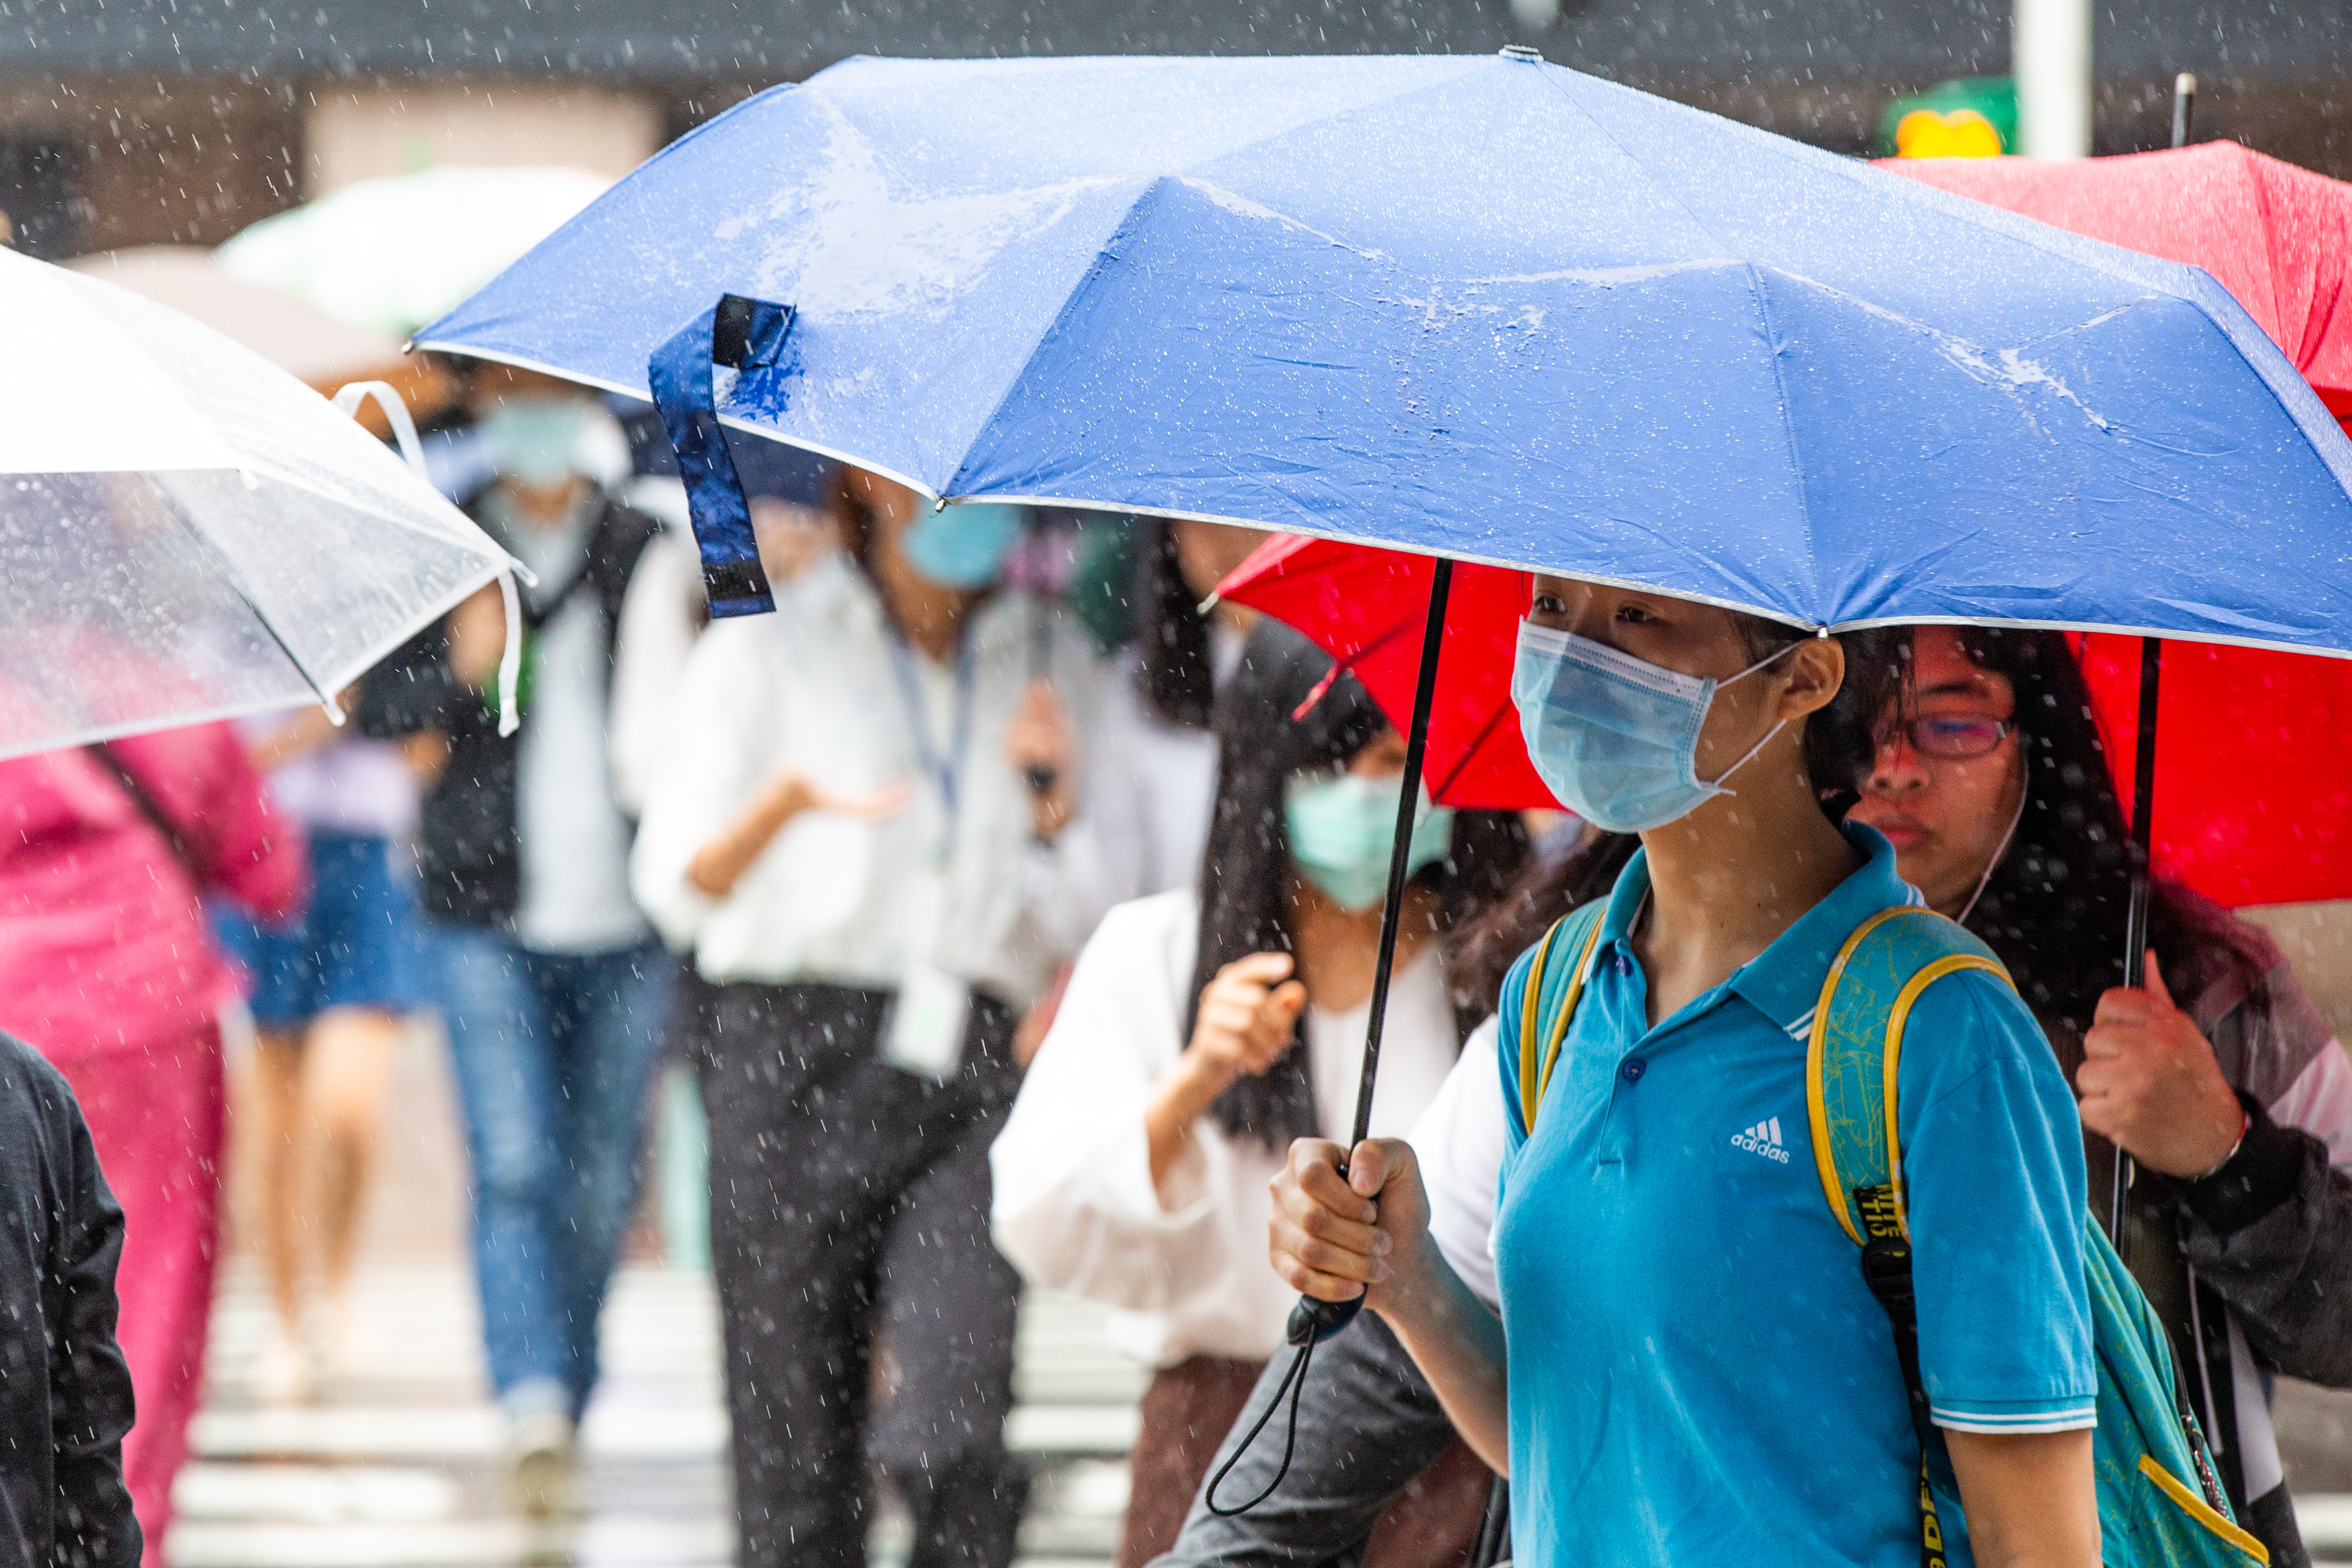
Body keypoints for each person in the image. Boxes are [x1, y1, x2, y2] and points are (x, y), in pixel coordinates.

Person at [1268, 581, 2104, 1568]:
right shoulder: (1556, 988)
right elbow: (1571, 1446)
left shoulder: (1942, 1030)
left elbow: (2037, 1538)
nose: (1575, 659)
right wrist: (1405, 1278)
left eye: (1637, 617)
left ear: (1802, 677)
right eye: (1551, 606)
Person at [629, 464, 1103, 1568]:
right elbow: (674, 882)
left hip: (971, 1058)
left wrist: (1053, 805)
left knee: (955, 1422)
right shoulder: (767, 642)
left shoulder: (1052, 655)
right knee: (795, 1456)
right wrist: (781, 809)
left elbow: (1094, 905)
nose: (956, 504)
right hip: (788, 1051)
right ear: (862, 480)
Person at [992, 621, 1526, 1568]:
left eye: (1394, 763)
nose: (1365, 792)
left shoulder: (1505, 985)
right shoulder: (1155, 954)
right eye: (1332, 764)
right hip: (1223, 1432)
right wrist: (1195, 1080)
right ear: (1267, 768)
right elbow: (1040, 1215)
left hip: (1439, 1438)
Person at [1846, 625, 2352, 1568]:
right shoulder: (1692, 983)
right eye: (1860, 723)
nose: (1896, 767)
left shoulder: (2197, 990)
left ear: (2034, 748)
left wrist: (2229, 1156)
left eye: (1953, 723)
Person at [362, 363, 673, 1514]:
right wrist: (461, 669)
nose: (535, 409)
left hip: (629, 910)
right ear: (485, 404)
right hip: (481, 908)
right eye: (513, 389)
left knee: (601, 1177)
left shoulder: (644, 544)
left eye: (555, 389)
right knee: (514, 1161)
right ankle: (531, 1396)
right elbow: (380, 706)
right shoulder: (441, 539)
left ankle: (568, 1394)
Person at [0, 725, 305, 1563]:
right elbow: (271, 873)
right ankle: (125, 1524)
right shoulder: (173, 698)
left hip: (12, 1018)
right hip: (148, 1014)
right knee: (147, 1293)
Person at [215, 709, 430, 1403]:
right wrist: (309, 725)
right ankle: (284, 1318)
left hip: (365, 859)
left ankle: (336, 1283)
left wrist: (379, 711)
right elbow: (218, 763)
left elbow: (429, 742)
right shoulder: (230, 655)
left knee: (347, 1107)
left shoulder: (379, 656)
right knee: (273, 1113)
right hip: (265, 852)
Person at [1037, 518, 1265, 957]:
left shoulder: (1352, 678)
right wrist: (1053, 814)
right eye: (1204, 515)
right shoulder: (1137, 689)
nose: (1230, 534)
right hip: (1178, 970)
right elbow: (1096, 914)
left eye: (1254, 514)